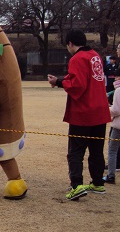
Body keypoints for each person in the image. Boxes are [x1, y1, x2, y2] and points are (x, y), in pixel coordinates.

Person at [47, 29, 111, 200]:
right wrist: (62, 80)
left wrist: (58, 82)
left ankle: (76, 185)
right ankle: (97, 183)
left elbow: (77, 85)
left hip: (83, 113)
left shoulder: (77, 58)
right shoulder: (95, 56)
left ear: (70, 44)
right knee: (96, 150)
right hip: (100, 111)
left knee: (75, 151)